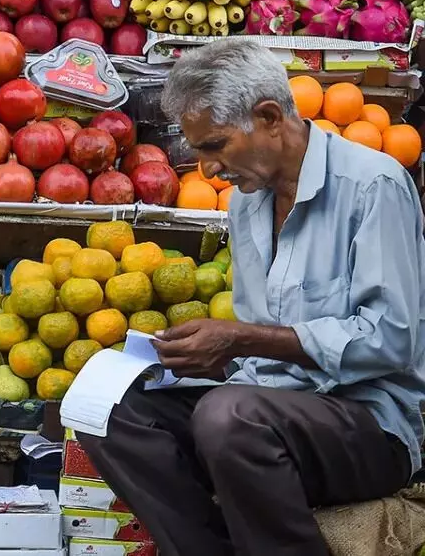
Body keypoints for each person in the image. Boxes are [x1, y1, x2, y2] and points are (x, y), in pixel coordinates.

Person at [76, 37, 425, 556]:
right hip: (265, 410)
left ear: (268, 117)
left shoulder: (374, 186)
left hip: (370, 427)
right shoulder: (248, 203)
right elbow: (258, 355)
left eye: (215, 146)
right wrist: (188, 359)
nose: (207, 170)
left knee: (228, 415)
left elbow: (391, 338)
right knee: (108, 409)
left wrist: (241, 337)